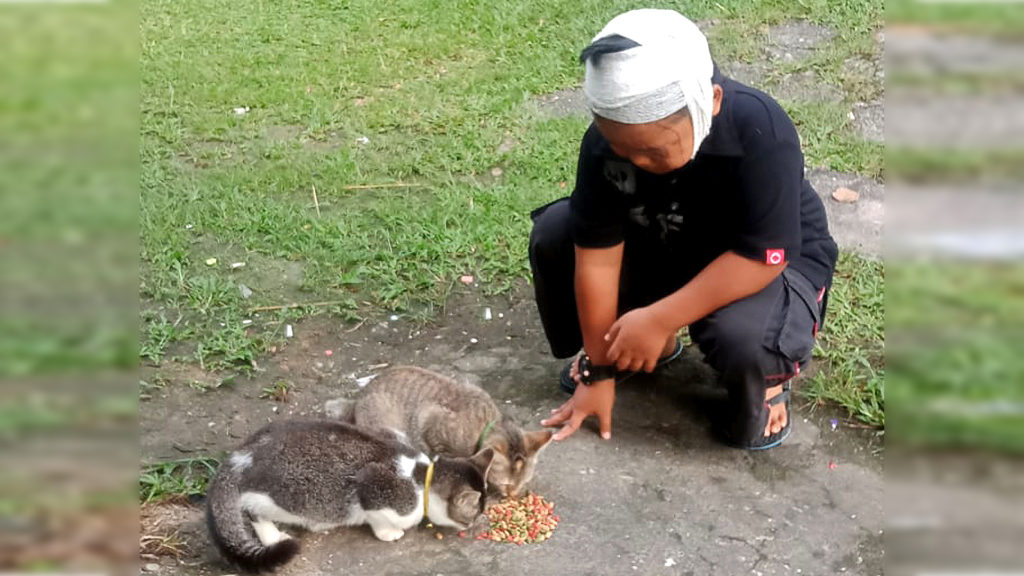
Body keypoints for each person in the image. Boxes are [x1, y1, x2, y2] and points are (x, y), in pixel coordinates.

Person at [529, 9, 837, 450]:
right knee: (557, 233)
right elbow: (596, 258)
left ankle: (768, 380)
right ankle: (646, 344)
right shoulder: (604, 146)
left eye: (652, 151)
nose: (634, 162)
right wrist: (599, 369)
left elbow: (763, 257)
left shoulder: (759, 128)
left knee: (743, 339)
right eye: (620, 147)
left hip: (763, 263)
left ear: (710, 101)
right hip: (671, 238)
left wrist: (659, 316)